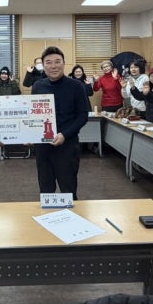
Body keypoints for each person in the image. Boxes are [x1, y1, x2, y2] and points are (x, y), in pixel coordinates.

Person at [31, 46, 90, 199]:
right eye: (48, 62)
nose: (53, 66)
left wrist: (65, 134)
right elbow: (33, 114)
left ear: (64, 63)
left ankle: (71, 214)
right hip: (43, 147)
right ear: (43, 65)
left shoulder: (76, 86)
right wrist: (28, 134)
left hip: (67, 145)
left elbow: (83, 115)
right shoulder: (38, 86)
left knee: (68, 190)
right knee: (46, 190)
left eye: (57, 61)